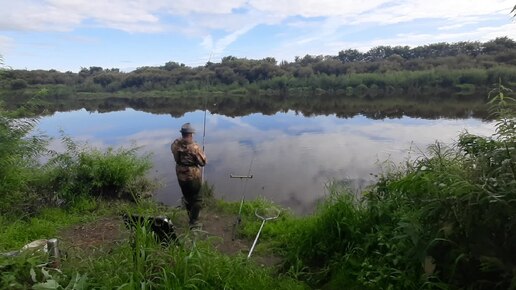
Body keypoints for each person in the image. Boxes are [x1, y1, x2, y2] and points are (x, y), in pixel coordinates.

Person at [171, 123, 207, 229]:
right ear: (191, 134)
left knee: (187, 197)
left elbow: (175, 153)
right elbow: (203, 162)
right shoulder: (194, 147)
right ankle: (194, 222)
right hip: (192, 177)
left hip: (180, 175)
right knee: (197, 199)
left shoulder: (175, 144)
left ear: (182, 133)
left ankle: (190, 216)